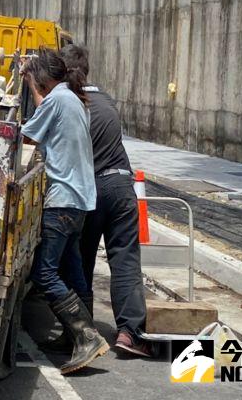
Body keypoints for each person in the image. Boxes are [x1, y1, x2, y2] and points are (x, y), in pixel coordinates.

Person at [21, 47, 109, 374]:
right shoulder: (73, 99)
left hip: (61, 201)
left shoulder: (58, 100)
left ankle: (85, 338)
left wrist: (28, 83)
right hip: (80, 202)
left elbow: (27, 135)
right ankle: (79, 337)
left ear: (44, 77)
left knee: (44, 273)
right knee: (73, 273)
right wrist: (31, 81)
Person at [61, 44, 150, 357]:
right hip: (122, 187)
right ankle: (130, 333)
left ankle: (80, 333)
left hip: (89, 191)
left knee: (79, 260)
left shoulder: (68, 105)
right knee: (125, 260)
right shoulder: (106, 101)